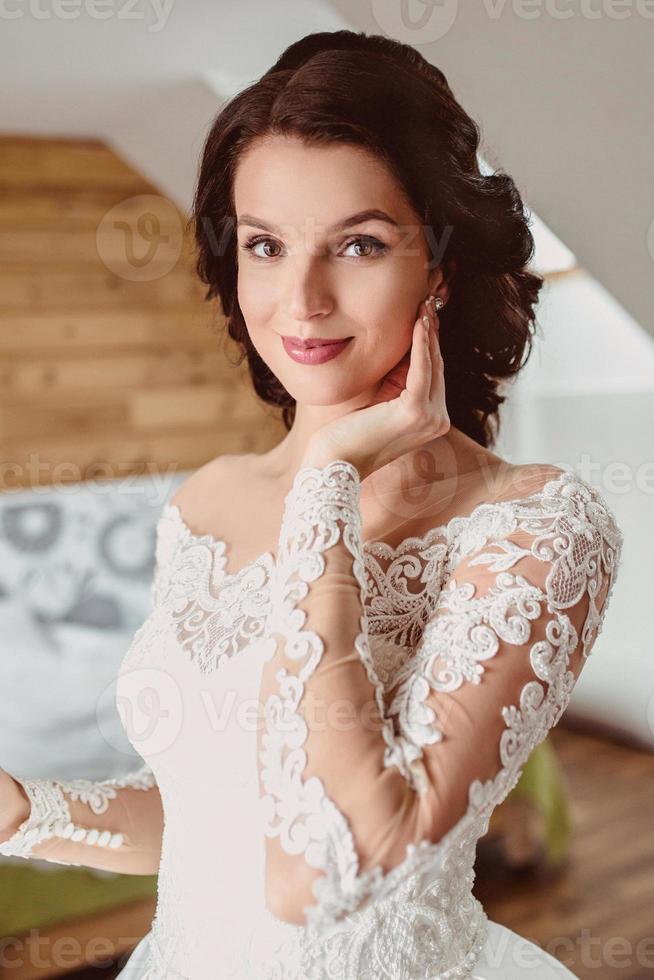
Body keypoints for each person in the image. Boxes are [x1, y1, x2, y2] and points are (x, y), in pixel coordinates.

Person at [0, 30, 624, 980]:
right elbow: (209, 829)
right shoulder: (206, 504)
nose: (302, 299)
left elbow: (333, 862)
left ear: (442, 267)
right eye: (265, 245)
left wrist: (327, 480)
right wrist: (22, 812)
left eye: (359, 244)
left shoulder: (538, 528)